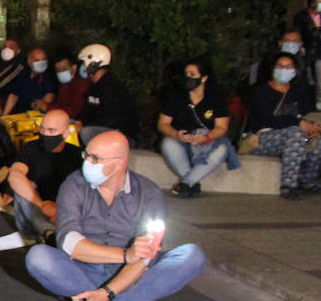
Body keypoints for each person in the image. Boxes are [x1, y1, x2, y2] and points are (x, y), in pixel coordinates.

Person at [25, 130, 204, 301]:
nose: (87, 162)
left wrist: (108, 292)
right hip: (83, 267)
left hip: (131, 274)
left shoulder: (149, 193)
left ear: (119, 163)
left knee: (191, 255)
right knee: (38, 256)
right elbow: (69, 243)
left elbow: (144, 257)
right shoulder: (74, 184)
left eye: (95, 158)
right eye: (86, 155)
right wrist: (126, 254)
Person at [156, 58, 237, 197]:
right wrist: (176, 134)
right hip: (183, 140)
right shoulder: (176, 95)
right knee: (168, 143)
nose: (188, 77)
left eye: (192, 75)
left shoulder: (216, 97)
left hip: (207, 140)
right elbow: (162, 124)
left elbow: (222, 127)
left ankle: (187, 183)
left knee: (223, 149)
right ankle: (191, 183)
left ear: (204, 78)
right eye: (186, 73)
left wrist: (206, 137)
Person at [244, 53, 318, 198]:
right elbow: (267, 119)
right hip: (262, 139)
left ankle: (307, 180)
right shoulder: (261, 91)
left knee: (316, 137)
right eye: (280, 66)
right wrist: (298, 123)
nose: (283, 69)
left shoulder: (298, 91)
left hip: (295, 136)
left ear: (295, 71)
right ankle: (288, 185)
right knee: (295, 132)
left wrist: (312, 128)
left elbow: (306, 115)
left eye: (288, 67)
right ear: (273, 69)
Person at [7, 109, 82, 244]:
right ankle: (49, 234)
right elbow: (15, 175)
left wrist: (59, 209)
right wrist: (41, 205)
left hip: (63, 214)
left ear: (65, 134)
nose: (45, 134)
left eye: (51, 131)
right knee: (24, 186)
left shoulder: (76, 155)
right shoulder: (31, 148)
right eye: (42, 129)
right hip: (36, 213)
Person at [78, 44, 138, 145]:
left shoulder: (112, 87)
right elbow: (88, 110)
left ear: (93, 64)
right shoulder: (95, 87)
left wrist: (85, 126)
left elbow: (113, 119)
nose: (82, 67)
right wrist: (79, 122)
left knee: (86, 133)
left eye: (84, 63)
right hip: (103, 128)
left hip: (122, 135)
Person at [4, 47, 55, 115]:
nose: (41, 63)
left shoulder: (49, 76)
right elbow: (13, 95)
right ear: (29, 61)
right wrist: (5, 115)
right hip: (20, 114)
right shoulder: (23, 74)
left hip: (37, 116)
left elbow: (49, 96)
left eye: (43, 60)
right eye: (37, 60)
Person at [52, 53, 90, 121]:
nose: (61, 72)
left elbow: (74, 111)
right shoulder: (64, 84)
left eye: (64, 69)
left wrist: (47, 107)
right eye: (58, 70)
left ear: (74, 68)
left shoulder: (82, 84)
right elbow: (59, 104)